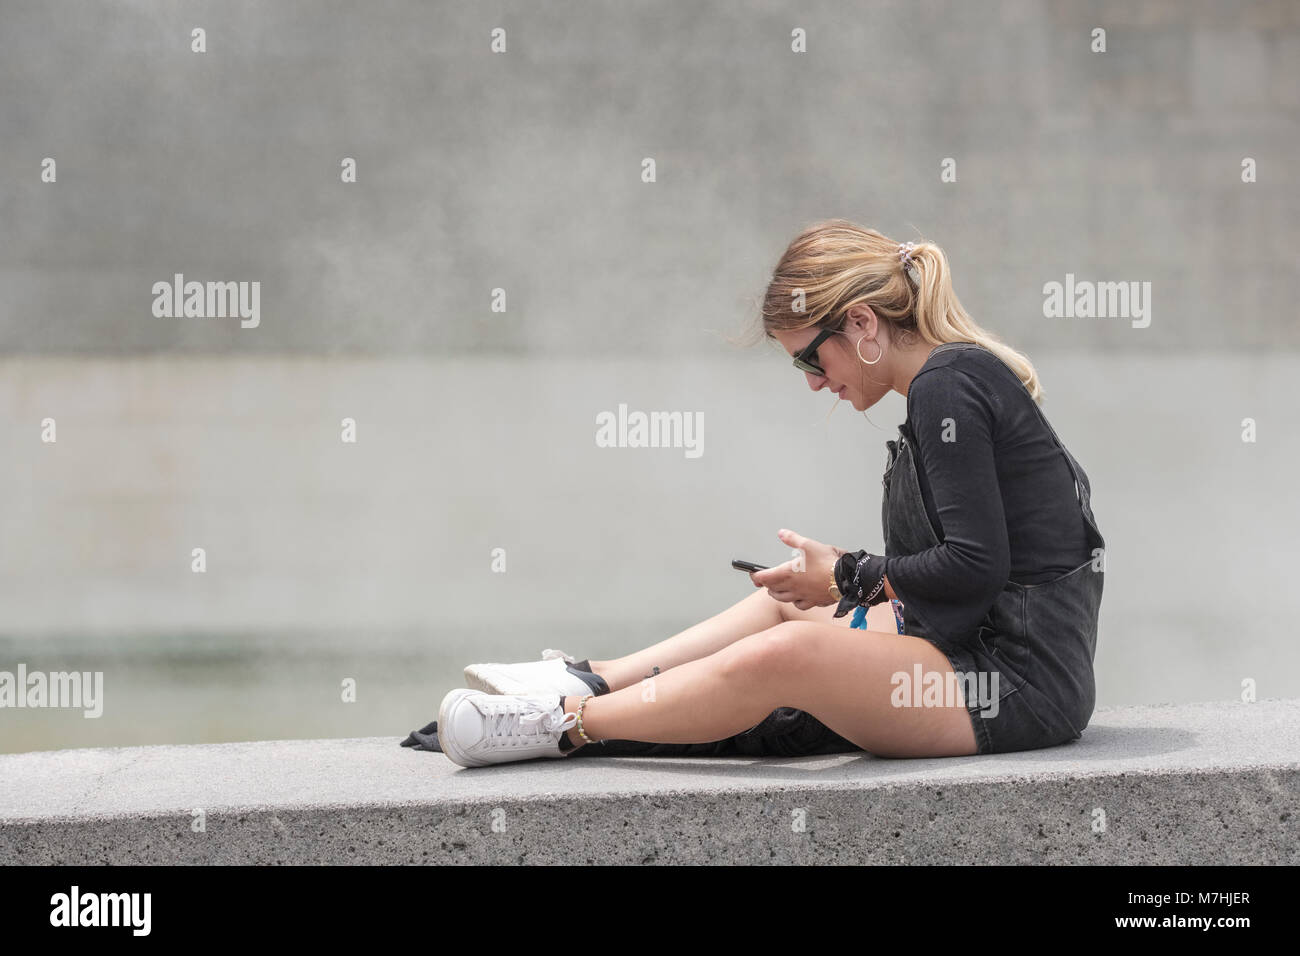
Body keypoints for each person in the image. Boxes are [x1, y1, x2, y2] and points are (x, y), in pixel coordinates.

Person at [434, 219, 1106, 768]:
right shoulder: (951, 381)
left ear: (863, 324)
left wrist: (848, 576)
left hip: (1010, 687)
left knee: (789, 654)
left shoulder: (945, 386)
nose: (814, 381)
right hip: (969, 659)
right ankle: (597, 676)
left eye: (812, 358)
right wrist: (835, 576)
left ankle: (563, 723)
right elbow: (980, 562)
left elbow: (974, 566)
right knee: (781, 605)